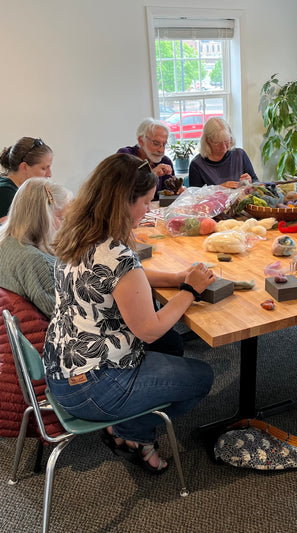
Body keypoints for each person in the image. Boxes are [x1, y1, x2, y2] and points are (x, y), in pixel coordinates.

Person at [44, 153, 216, 474]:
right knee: (202, 377)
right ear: (124, 201)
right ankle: (130, 431)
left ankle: (128, 428)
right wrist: (189, 291)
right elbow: (149, 330)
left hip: (61, 372)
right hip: (93, 387)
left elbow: (123, 281)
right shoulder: (116, 254)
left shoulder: (77, 234)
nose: (149, 210)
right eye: (146, 203)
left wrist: (178, 278)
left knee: (172, 348)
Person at [0, 178, 71, 318]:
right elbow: (61, 315)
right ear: (45, 217)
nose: (63, 225)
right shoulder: (33, 259)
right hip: (41, 336)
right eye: (61, 218)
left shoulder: (5, 241)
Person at [188, 117, 258, 188]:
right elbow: (195, 196)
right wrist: (219, 189)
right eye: (218, 143)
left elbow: (256, 182)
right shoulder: (197, 165)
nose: (224, 147)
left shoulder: (240, 155)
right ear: (208, 140)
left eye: (226, 141)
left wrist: (251, 181)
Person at [117, 117, 175, 195]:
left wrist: (177, 191)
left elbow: (168, 194)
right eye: (156, 143)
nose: (161, 150)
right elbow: (124, 192)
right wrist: (152, 175)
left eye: (164, 144)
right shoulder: (125, 156)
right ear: (141, 141)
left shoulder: (165, 161)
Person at [0, 137, 53, 220]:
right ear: (24, 167)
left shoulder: (25, 190)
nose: (50, 174)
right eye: (44, 168)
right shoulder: (5, 193)